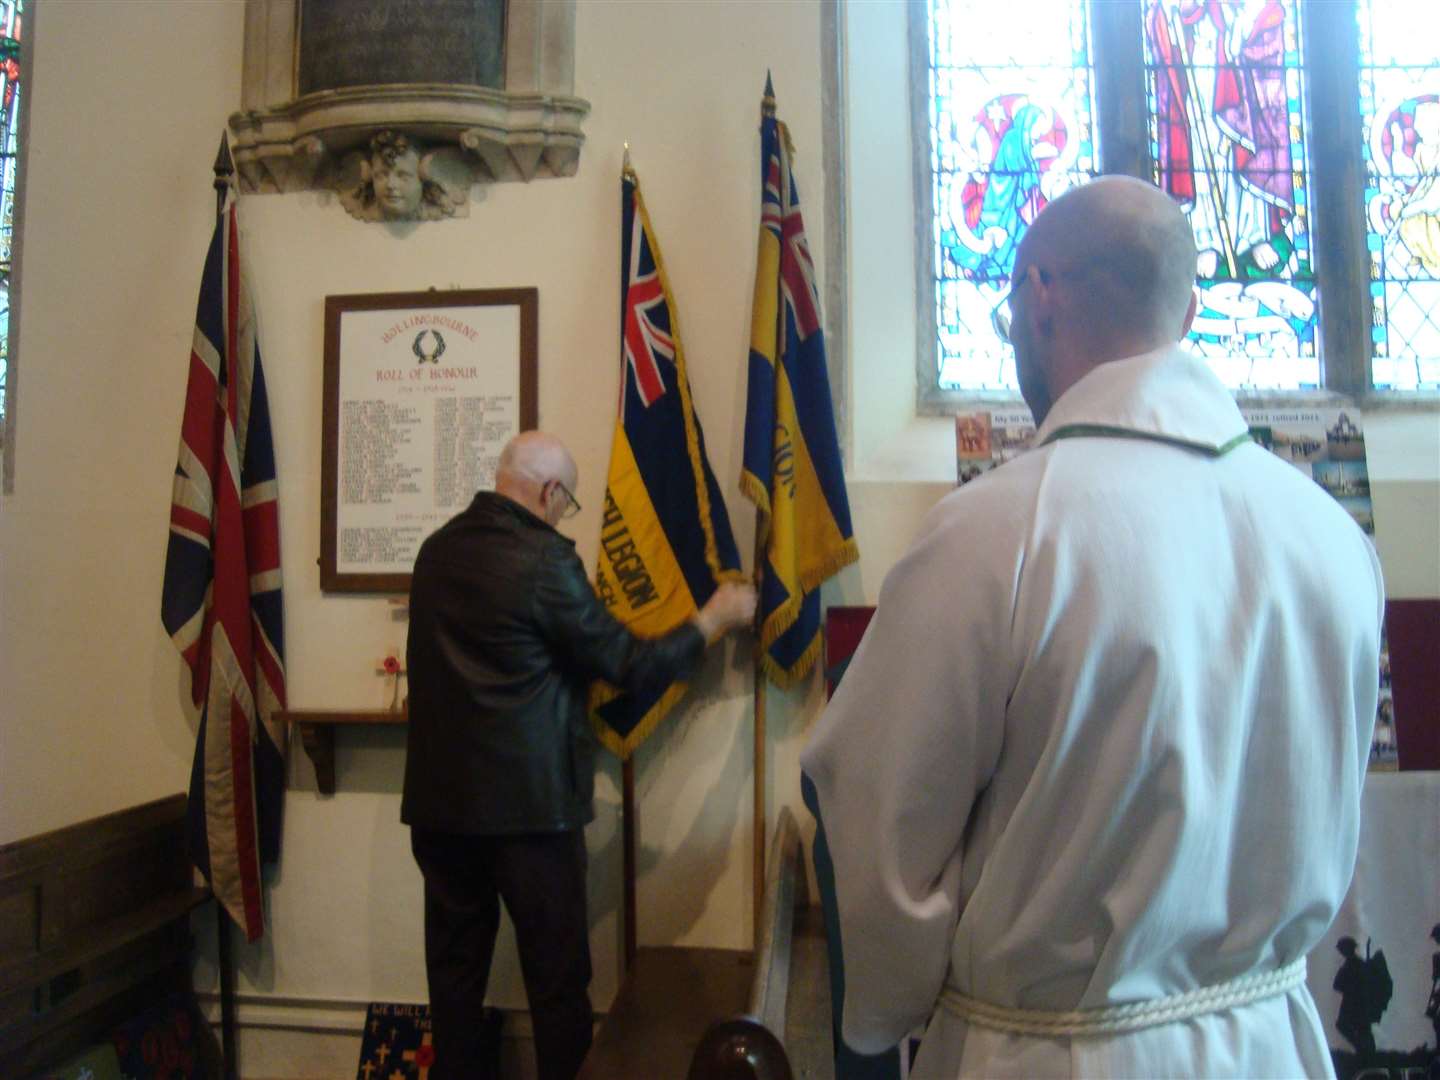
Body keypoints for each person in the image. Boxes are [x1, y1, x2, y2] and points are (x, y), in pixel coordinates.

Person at [800, 176, 1383, 1078]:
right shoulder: (1330, 537)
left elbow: (878, 831)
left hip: (1051, 1056)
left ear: (1038, 295)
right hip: (1269, 1045)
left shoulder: (994, 534)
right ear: (1187, 311)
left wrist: (890, 1006)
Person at [401, 431, 757, 1080]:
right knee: (558, 990)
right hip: (529, 816)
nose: (566, 516)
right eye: (568, 504)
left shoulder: (435, 551)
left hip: (440, 812)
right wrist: (714, 618)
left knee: (452, 989)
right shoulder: (542, 562)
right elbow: (627, 664)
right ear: (549, 492)